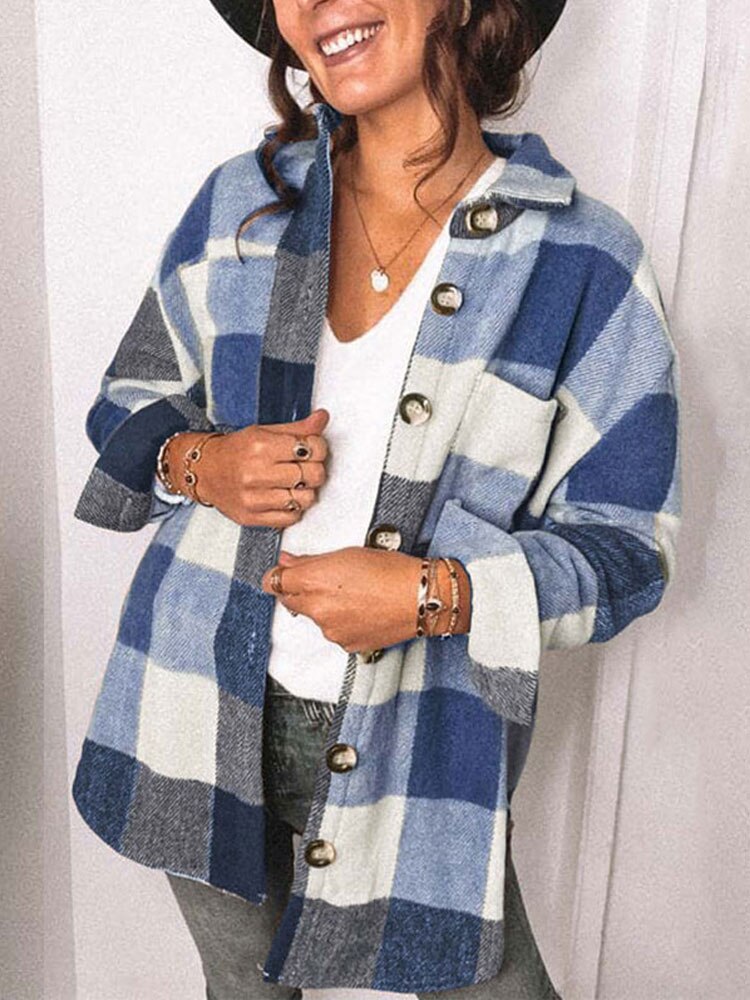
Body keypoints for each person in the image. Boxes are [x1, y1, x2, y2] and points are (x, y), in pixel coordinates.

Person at [70, 0, 681, 998]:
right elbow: (128, 399)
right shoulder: (239, 205)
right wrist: (199, 463)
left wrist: (433, 595)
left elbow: (630, 547)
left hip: (424, 742)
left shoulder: (583, 260)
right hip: (191, 708)